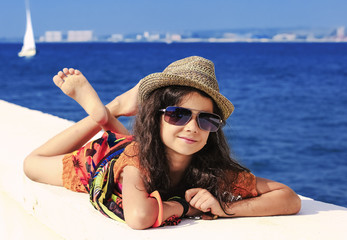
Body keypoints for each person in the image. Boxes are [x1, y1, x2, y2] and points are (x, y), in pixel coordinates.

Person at [24, 56, 301, 230]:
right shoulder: (137, 162)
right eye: (177, 114)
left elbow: (289, 198)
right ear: (155, 119)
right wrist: (187, 207)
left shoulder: (212, 171)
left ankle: (109, 119)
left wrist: (226, 208)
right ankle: (112, 109)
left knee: (132, 141)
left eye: (206, 120)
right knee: (32, 165)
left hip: (137, 143)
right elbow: (138, 217)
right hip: (106, 162)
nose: (192, 127)